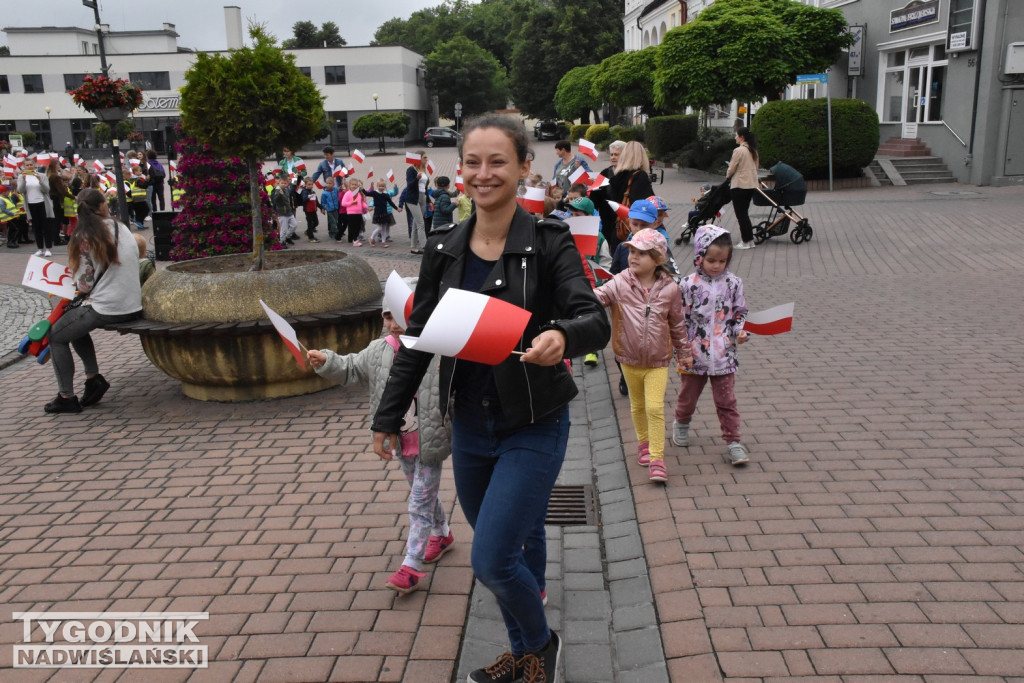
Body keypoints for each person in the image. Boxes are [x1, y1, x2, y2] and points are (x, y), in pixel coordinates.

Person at [371, 114, 609, 683]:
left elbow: (593, 319)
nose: (483, 173)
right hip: (472, 431)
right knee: (518, 545)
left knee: (491, 559)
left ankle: (541, 647)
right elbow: (420, 340)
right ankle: (524, 659)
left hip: (534, 422)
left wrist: (562, 336)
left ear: (525, 167)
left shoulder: (549, 243)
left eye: (497, 161)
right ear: (460, 172)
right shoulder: (444, 249)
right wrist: (388, 415)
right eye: (472, 162)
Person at [308, 282, 455, 595]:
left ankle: (411, 566)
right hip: (401, 441)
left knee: (418, 500)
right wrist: (328, 361)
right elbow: (351, 368)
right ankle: (442, 534)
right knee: (422, 492)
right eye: (387, 316)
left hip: (430, 438)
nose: (393, 323)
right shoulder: (378, 351)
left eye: (402, 314)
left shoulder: (439, 348)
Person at [594, 228, 687, 482]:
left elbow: (678, 325)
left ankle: (657, 459)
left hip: (658, 361)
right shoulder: (620, 281)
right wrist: (579, 293)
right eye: (632, 251)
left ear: (657, 259)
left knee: (654, 407)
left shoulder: (671, 289)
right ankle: (643, 443)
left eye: (641, 253)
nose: (633, 257)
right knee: (637, 406)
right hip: (628, 358)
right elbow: (598, 297)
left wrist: (684, 353)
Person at [43, 188, 143, 414]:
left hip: (107, 307)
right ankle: (92, 379)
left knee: (55, 336)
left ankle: (66, 396)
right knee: (73, 326)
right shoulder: (122, 227)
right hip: (132, 303)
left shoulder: (83, 236)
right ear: (102, 206)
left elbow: (84, 286)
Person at [674, 224, 750, 466]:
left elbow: (740, 312)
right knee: (688, 396)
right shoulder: (687, 285)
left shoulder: (734, 283)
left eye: (722, 261)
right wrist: (682, 349)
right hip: (694, 355)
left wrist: (739, 331)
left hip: (724, 354)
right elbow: (679, 318)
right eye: (711, 260)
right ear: (699, 256)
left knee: (727, 401)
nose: (717, 265)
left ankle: (734, 441)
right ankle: (682, 423)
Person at [591, 140, 654, 254]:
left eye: (616, 154)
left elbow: (594, 200)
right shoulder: (638, 176)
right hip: (629, 227)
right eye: (611, 154)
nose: (613, 157)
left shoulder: (616, 176)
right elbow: (644, 204)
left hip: (616, 226)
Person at [728, 127, 760, 250]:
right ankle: (750, 240)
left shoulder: (739, 150)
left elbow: (732, 168)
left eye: (736, 135)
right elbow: (756, 167)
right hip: (751, 185)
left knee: (740, 214)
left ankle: (746, 241)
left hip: (739, 184)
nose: (735, 137)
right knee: (744, 213)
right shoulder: (753, 151)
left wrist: (728, 175)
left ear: (742, 137)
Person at [17, 157, 55, 256]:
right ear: (24, 166)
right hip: (31, 204)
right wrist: (24, 180)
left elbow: (47, 190)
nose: (29, 167)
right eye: (27, 165)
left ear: (34, 165)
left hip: (42, 203)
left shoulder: (41, 175)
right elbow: (20, 191)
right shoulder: (21, 177)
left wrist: (40, 181)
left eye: (31, 165)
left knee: (46, 226)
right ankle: (40, 248)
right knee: (36, 227)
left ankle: (48, 249)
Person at [366, 179, 401, 247]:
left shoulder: (387, 193)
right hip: (378, 213)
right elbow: (372, 200)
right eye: (380, 186)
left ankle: (383, 242)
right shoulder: (376, 194)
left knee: (384, 228)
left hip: (386, 213)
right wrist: (370, 205)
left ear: (385, 187)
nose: (381, 187)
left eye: (383, 186)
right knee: (379, 228)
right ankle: (371, 238)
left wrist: (395, 187)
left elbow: (392, 199)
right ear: (377, 186)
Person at [404, 152, 426, 254]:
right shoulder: (411, 170)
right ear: (419, 158)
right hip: (412, 199)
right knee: (421, 223)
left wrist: (429, 201)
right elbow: (410, 185)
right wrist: (417, 179)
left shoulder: (422, 169)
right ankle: (425, 246)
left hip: (422, 197)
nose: (426, 159)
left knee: (416, 224)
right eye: (424, 157)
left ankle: (413, 247)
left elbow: (425, 187)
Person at [271, 175, 298, 246]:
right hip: (282, 213)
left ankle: (287, 237)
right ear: (279, 183)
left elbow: (288, 197)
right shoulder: (277, 190)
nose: (283, 184)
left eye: (285, 183)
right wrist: (280, 194)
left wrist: (294, 184)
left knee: (294, 225)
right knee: (283, 229)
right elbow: (275, 200)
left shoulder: (286, 190)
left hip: (289, 212)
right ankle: (282, 242)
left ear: (287, 183)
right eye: (282, 183)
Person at [340, 177, 368, 247]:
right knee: (353, 227)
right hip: (351, 213)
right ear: (349, 185)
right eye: (352, 184)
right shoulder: (348, 193)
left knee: (359, 227)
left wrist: (367, 207)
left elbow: (362, 203)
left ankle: (356, 239)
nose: (354, 186)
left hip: (359, 213)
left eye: (356, 185)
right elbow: (343, 203)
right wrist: (352, 203)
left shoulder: (359, 193)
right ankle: (355, 241)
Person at [299, 177, 321, 243]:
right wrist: (309, 197)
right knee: (310, 224)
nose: (311, 186)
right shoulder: (304, 191)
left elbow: (316, 202)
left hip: (313, 210)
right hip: (308, 211)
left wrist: (321, 208)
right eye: (309, 184)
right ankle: (311, 237)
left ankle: (308, 231)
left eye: (312, 184)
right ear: (305, 185)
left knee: (316, 222)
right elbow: (304, 200)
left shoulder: (313, 192)